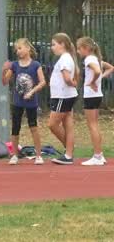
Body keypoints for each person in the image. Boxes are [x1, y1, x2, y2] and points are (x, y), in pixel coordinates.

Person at [2, 38, 47, 165]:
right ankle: (15, 155)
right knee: (15, 128)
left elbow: (43, 82)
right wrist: (4, 70)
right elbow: (5, 82)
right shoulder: (15, 65)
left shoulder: (36, 65)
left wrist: (32, 92)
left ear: (28, 48)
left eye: (20, 48)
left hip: (31, 102)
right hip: (17, 102)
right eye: (16, 49)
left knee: (34, 127)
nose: (18, 51)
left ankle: (38, 155)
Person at [76, 37, 114, 166]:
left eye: (79, 48)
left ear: (86, 48)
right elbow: (111, 68)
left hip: (91, 96)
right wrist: (99, 79)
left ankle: (97, 156)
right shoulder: (96, 59)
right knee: (95, 125)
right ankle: (100, 155)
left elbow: (97, 71)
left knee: (92, 126)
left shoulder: (89, 59)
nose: (78, 51)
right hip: (97, 95)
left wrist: (93, 81)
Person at [48, 33, 79, 165]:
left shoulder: (65, 59)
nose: (52, 47)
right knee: (68, 125)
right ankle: (69, 154)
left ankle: (69, 150)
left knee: (52, 124)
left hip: (62, 96)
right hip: (66, 96)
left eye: (54, 44)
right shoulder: (66, 58)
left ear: (62, 44)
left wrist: (72, 83)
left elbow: (67, 79)